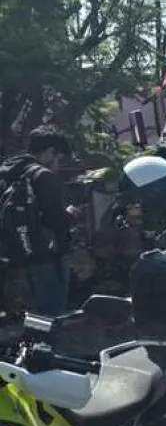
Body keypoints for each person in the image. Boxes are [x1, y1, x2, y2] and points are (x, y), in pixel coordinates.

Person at [0, 125, 80, 316]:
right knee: (51, 315)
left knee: (25, 317)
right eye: (59, 158)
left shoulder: (6, 172)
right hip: (45, 257)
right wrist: (71, 214)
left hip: (12, 257)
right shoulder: (43, 176)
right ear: (51, 151)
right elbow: (56, 220)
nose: (58, 165)